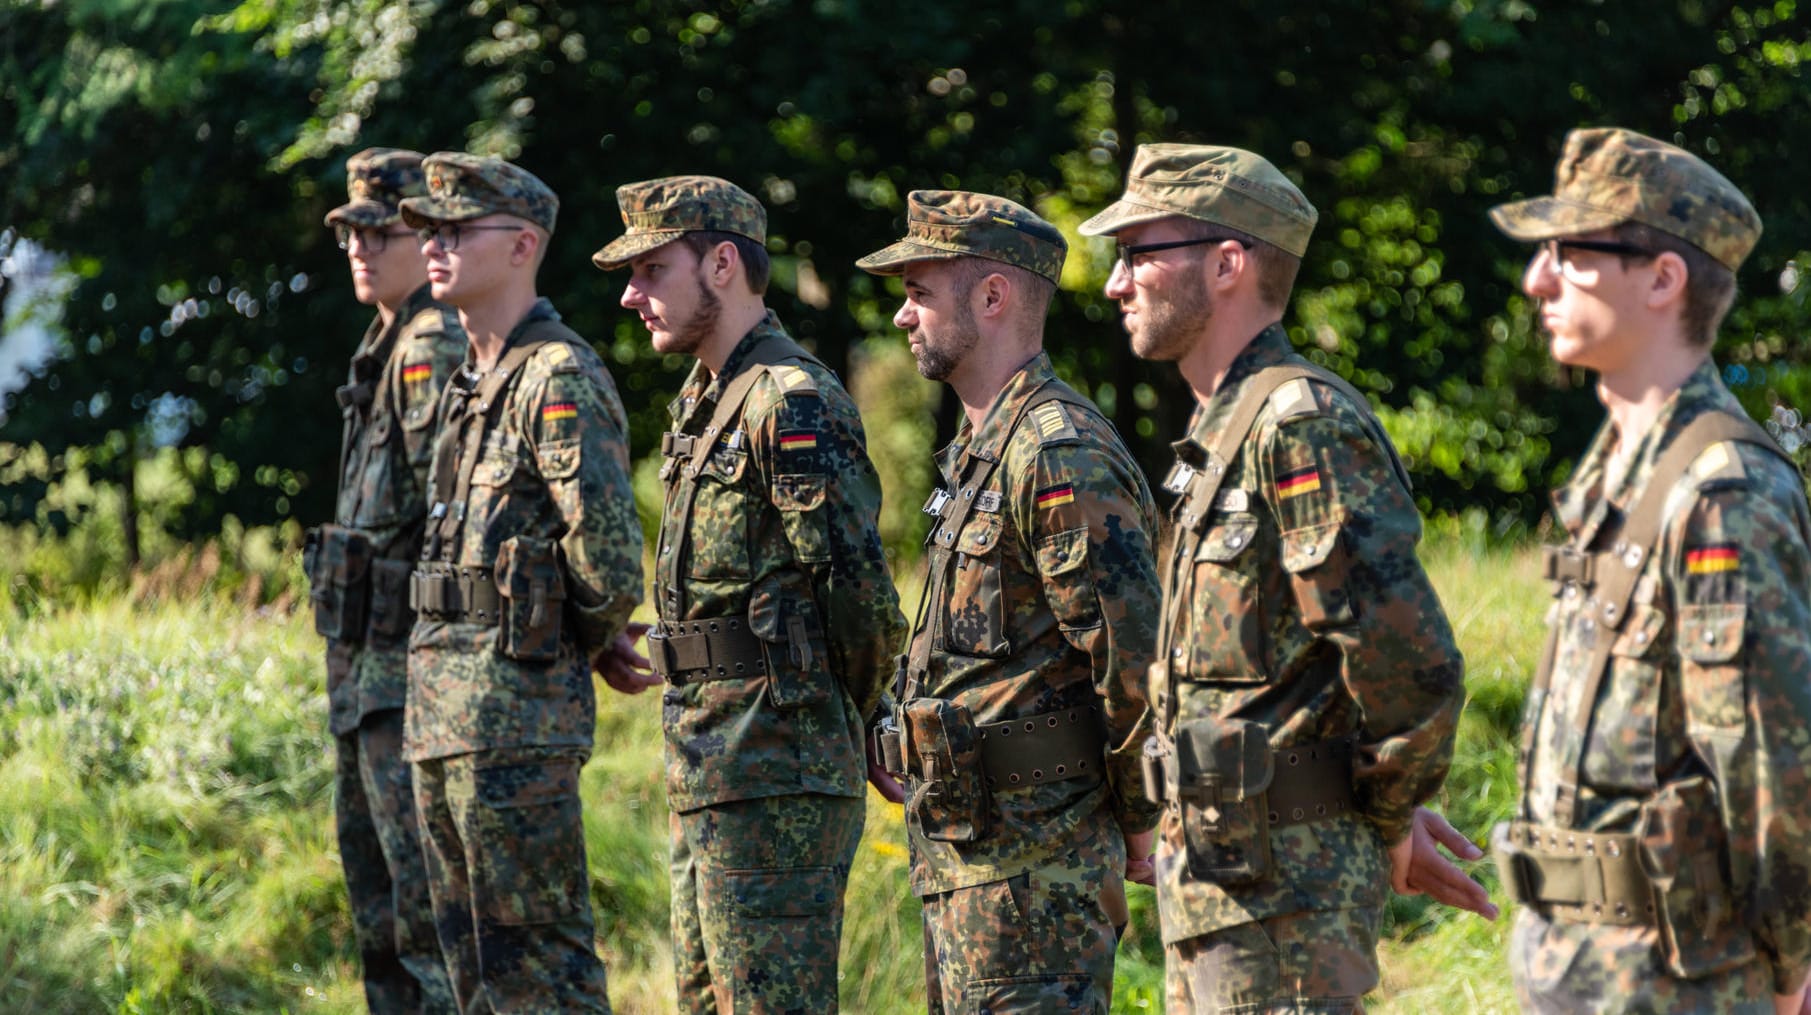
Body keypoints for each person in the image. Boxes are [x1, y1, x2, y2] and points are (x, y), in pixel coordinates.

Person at [1079, 143, 1489, 1012]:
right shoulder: (1218, 439)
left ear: (1227, 264)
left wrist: (1380, 820)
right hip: (1223, 891)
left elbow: (1411, 667)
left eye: (1139, 254)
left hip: (1284, 901)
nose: (1116, 283)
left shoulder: (1298, 426)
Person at [1488, 126, 1811, 1014]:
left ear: (1663, 279)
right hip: (1575, 964)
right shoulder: (1615, 468)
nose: (1537, 280)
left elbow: (1765, 763)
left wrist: (1789, 966)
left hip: (1674, 981)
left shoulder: (1723, 488)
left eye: (1570, 253)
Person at [592, 175, 905, 1013]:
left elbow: (856, 590)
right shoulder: (704, 400)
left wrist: (875, 714)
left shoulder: (789, 401)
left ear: (721, 263)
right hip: (712, 761)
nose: (631, 294)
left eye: (652, 268)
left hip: (778, 769)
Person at [856, 190, 1163, 1013]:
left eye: (919, 293)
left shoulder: (1056, 451)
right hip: (969, 860)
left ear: (992, 298)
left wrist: (1141, 819)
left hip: (1036, 874)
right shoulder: (978, 450)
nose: (900, 317)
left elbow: (1130, 661)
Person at [398, 152, 645, 1013]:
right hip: (441, 714)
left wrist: (580, 633)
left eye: (457, 230)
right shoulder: (474, 382)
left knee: (539, 971)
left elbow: (609, 561)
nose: (434, 246)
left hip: (515, 718)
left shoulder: (556, 377)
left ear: (520, 245)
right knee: (470, 970)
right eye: (428, 231)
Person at [309, 146, 463, 1014]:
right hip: (366, 673)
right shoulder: (385, 343)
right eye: (350, 234)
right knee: (379, 914)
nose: (360, 249)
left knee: (423, 921)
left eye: (379, 231)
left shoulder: (429, 344)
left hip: (407, 676)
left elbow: (451, 513)